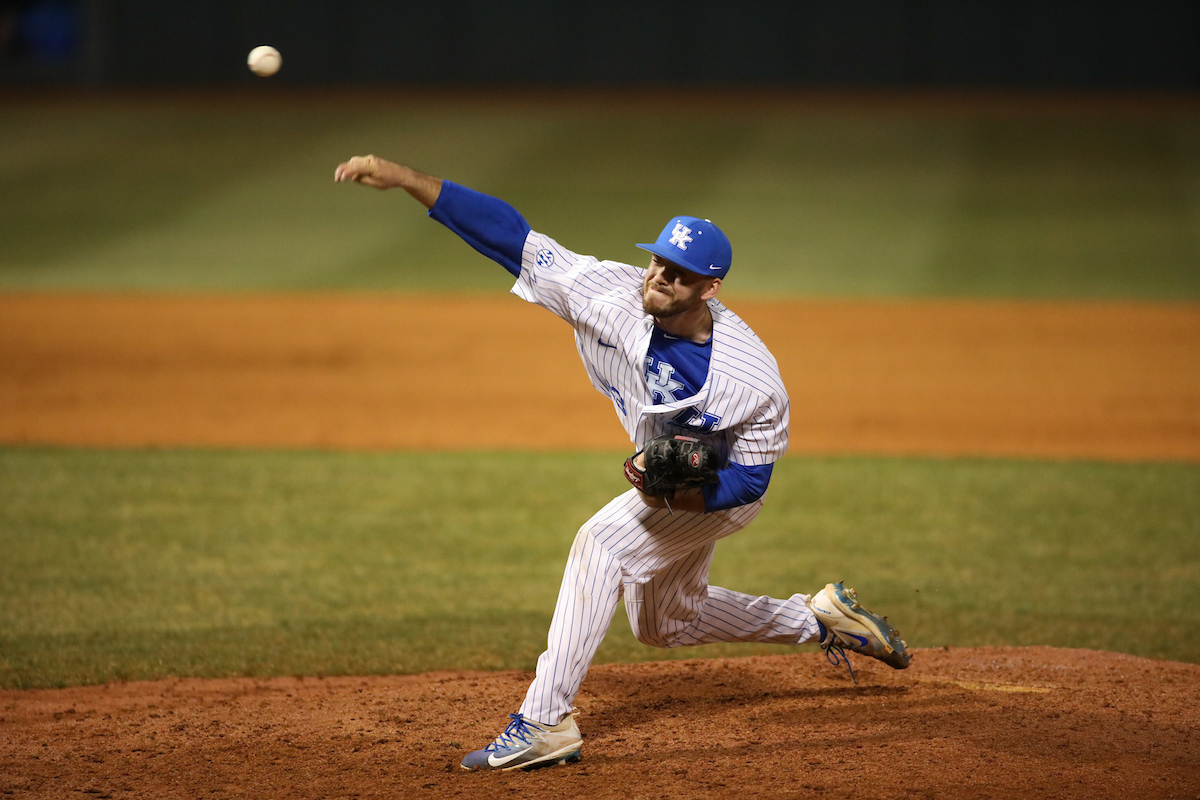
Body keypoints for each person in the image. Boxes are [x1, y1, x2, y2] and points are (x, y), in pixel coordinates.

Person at [334, 154, 910, 772]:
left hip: (724, 489)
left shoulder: (744, 378)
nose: (660, 277)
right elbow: (513, 238)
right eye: (659, 260)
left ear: (709, 288)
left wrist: (683, 497)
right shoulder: (609, 292)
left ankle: (544, 721)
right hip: (681, 475)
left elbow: (749, 480)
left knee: (601, 546)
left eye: (680, 273)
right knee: (665, 624)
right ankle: (819, 619)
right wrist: (408, 181)